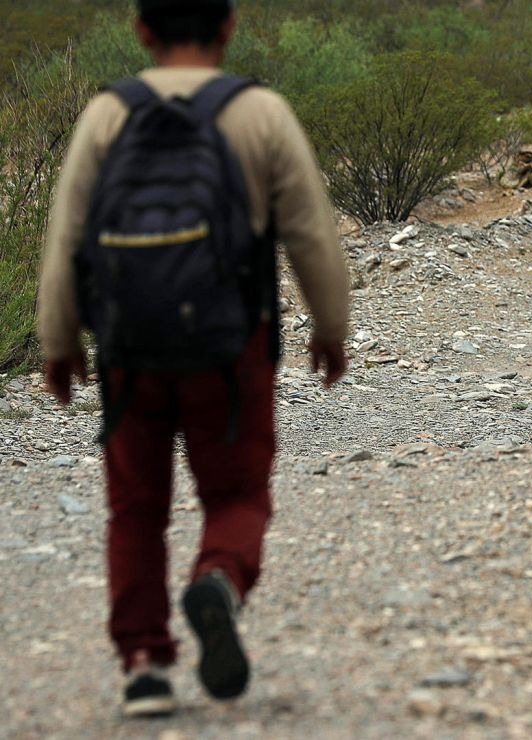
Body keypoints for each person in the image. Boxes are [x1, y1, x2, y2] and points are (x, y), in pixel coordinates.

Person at [37, 0, 349, 717]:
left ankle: (144, 663)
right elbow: (309, 232)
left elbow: (67, 238)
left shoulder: (106, 115)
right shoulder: (260, 112)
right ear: (229, 26)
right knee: (237, 495)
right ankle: (218, 578)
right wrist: (329, 328)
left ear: (141, 29)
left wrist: (59, 344)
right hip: (229, 349)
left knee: (134, 511)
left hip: (128, 350)